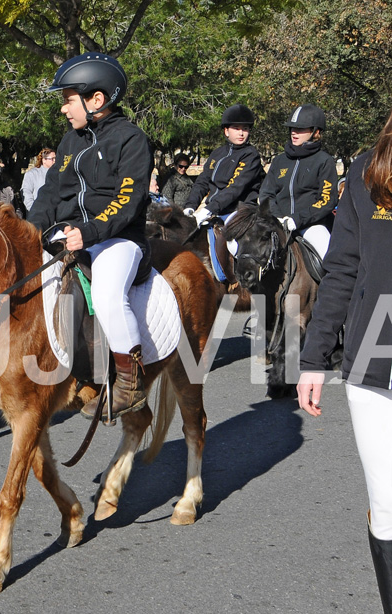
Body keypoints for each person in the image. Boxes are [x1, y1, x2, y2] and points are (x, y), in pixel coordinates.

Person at [297, 107, 392, 614]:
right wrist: (313, 358)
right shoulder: (364, 168)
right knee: (389, 512)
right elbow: (342, 267)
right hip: (374, 368)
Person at [28, 52, 153, 419]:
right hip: (69, 234)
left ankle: (130, 385)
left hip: (119, 238)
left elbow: (128, 201)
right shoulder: (70, 142)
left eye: (68, 99)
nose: (64, 109)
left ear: (96, 99)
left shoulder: (131, 140)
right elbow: (51, 193)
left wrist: (90, 230)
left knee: (107, 294)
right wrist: (30, 229)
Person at [260, 104, 338, 259]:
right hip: (278, 223)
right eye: (292, 128)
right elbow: (266, 194)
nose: (294, 132)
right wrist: (277, 218)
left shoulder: (324, 161)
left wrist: (297, 219)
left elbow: (327, 200)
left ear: (316, 132)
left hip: (311, 226)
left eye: (301, 129)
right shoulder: (279, 161)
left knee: (330, 259)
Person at [183, 104, 266, 227]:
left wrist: (209, 209)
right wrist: (190, 206)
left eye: (245, 129)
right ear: (226, 131)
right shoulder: (217, 153)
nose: (241, 133)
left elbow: (235, 187)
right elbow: (203, 181)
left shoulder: (251, 155)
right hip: (215, 210)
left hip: (240, 211)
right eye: (236, 128)